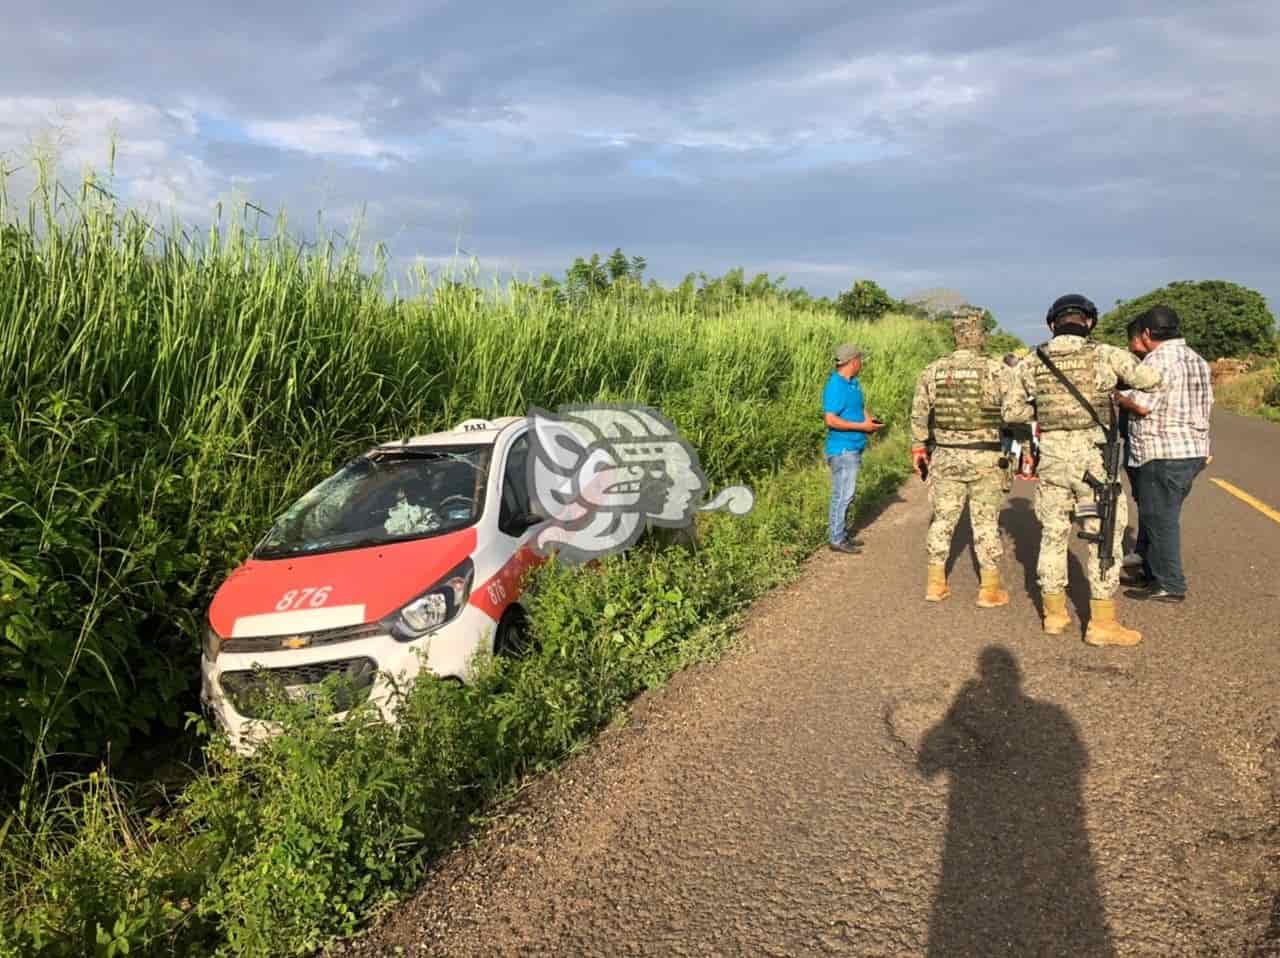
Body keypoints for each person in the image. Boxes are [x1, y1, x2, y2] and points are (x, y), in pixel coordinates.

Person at [1004, 294, 1161, 647]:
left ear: (1051, 324)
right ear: (1088, 322)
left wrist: (1045, 417)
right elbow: (1151, 380)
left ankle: (1055, 616)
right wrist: (1114, 386)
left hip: (1054, 460)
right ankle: (1102, 624)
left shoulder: (1031, 363)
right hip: (1095, 461)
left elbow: (1012, 413)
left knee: (1053, 534)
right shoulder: (1105, 354)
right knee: (1101, 534)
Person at [910, 310, 1011, 606]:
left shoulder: (932, 370)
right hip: (985, 457)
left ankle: (935, 584)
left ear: (955, 336)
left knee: (942, 520)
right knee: (986, 524)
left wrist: (918, 447)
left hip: (945, 457)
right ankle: (989, 590)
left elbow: (919, 414)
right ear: (980, 336)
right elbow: (1015, 412)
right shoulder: (997, 370)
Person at [1114, 305, 1213, 602]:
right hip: (1191, 449)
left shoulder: (1159, 360)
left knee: (1161, 519)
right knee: (1158, 514)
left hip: (1162, 450)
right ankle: (1152, 574)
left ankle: (1171, 584)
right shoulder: (1197, 359)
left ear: (1146, 333)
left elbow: (1144, 403)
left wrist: (1118, 395)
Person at [823, 343, 884, 553]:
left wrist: (870, 422)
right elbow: (830, 419)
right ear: (853, 361)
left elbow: (859, 407)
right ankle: (837, 538)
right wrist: (862, 426)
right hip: (842, 450)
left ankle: (841, 533)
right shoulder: (835, 385)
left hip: (854, 447)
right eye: (860, 359)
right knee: (843, 494)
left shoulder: (853, 383)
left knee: (847, 494)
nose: (862, 363)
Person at [1118, 318, 1151, 569]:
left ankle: (1149, 559)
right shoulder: (1138, 366)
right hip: (1133, 442)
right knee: (1144, 501)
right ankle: (1144, 552)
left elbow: (1140, 405)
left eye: (1132, 340)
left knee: (1150, 503)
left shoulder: (1145, 369)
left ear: (1142, 337)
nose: (1130, 346)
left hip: (1147, 445)